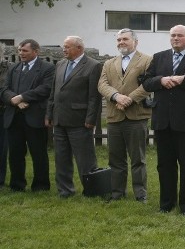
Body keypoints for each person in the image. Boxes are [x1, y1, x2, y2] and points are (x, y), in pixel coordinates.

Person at [143, 25, 185, 216]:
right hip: (162, 119)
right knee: (164, 164)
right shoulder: (158, 57)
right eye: (172, 35)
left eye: (179, 36)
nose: (175, 38)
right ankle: (166, 203)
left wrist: (184, 80)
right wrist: (161, 81)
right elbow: (146, 82)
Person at [97, 29, 153, 202]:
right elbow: (102, 84)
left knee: (138, 159)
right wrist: (116, 96)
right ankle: (117, 193)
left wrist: (130, 99)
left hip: (136, 117)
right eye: (119, 39)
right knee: (116, 159)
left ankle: (140, 194)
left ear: (135, 42)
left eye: (125, 39)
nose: (121, 42)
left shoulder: (148, 60)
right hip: (115, 116)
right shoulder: (109, 63)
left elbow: (149, 84)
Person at [47, 36, 103, 197]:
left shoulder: (93, 66)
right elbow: (54, 92)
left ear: (79, 48)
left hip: (80, 120)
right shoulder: (60, 64)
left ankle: (91, 190)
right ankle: (65, 190)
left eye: (67, 47)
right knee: (61, 158)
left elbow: (94, 96)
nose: (64, 50)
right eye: (63, 47)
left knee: (85, 159)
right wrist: (49, 113)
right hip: (59, 119)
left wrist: (90, 119)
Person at [0, 39, 55, 192]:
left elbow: (45, 89)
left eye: (25, 51)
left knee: (39, 154)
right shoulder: (14, 68)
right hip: (14, 117)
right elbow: (4, 88)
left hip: (34, 117)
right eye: (19, 51)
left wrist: (22, 97)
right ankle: (17, 185)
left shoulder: (47, 68)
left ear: (36, 52)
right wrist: (14, 100)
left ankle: (41, 186)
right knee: (15, 154)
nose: (21, 54)